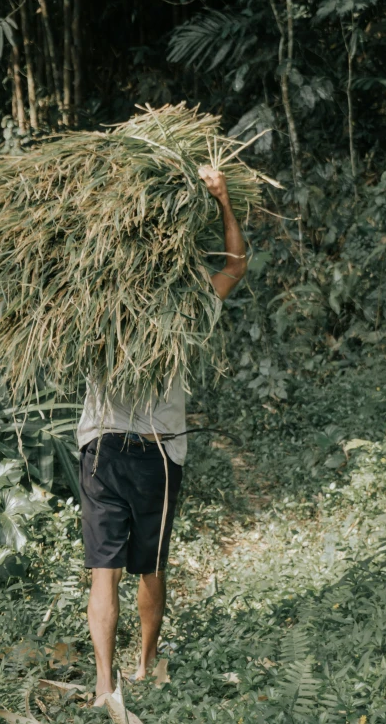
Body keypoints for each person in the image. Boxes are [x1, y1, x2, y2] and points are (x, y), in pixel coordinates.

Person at [77, 165, 248, 705]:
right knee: (149, 565)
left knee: (104, 574)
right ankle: (147, 667)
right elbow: (237, 265)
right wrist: (220, 199)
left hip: (102, 446)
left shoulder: (90, 300)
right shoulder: (187, 302)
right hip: (158, 450)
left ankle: (106, 685)